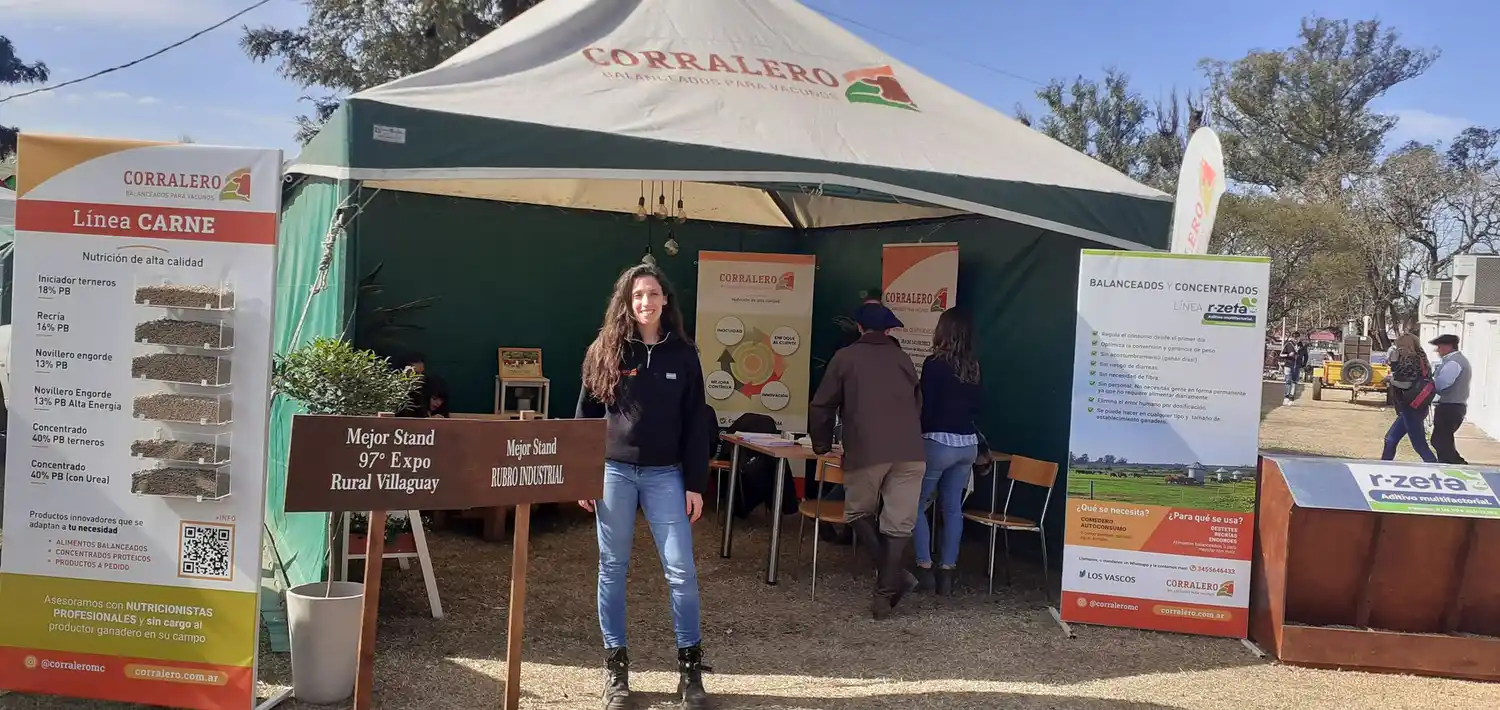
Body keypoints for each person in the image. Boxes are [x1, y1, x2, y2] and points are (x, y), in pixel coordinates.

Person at [576, 263, 712, 710]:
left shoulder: (684, 355)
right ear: (626, 301)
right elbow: (586, 417)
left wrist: (695, 483)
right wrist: (583, 473)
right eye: (637, 296)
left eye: (652, 294)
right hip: (614, 473)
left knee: (681, 572)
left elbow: (697, 424)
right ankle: (616, 674)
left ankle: (690, 673)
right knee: (612, 568)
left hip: (666, 474)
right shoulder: (606, 349)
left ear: (666, 300)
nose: (645, 302)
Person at [809, 302, 926, 619]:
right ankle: (885, 592)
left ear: (859, 327)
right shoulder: (903, 359)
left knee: (859, 512)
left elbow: (822, 405)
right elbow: (917, 405)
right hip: (911, 452)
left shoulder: (845, 357)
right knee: (899, 525)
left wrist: (821, 444)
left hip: (868, 449)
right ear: (889, 331)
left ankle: (893, 581)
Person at [911, 307, 982, 597]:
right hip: (968, 445)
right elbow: (978, 408)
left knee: (915, 506)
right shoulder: (974, 365)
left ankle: (924, 568)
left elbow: (926, 407)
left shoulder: (934, 363)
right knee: (953, 509)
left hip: (938, 442)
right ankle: (947, 572)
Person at [1382, 333, 1438, 463]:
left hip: (1411, 406)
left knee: (1419, 445)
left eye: (1399, 346)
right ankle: (1384, 464)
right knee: (1390, 439)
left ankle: (1435, 467)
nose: (1397, 349)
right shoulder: (1421, 357)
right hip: (1418, 405)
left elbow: (1405, 383)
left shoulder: (1410, 360)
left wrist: (1390, 380)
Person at [1429, 334, 1471, 464]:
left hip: (1450, 406)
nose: (1437, 350)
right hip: (1452, 405)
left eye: (1440, 347)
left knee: (1441, 440)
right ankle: (1448, 464)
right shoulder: (1454, 361)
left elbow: (1441, 384)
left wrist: (1428, 385)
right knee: (1441, 440)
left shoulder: (1454, 362)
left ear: (1448, 346)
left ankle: (1457, 464)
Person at [1280, 332, 1306, 405]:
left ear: (1299, 338)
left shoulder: (1302, 346)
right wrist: (1288, 355)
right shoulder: (1288, 345)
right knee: (1288, 381)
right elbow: (1281, 354)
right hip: (1288, 365)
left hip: (1297, 366)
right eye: (1294, 338)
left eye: (1297, 338)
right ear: (1292, 338)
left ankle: (1291, 398)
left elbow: (1306, 356)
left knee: (1294, 382)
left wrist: (1303, 365)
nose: (1295, 339)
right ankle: (1286, 397)